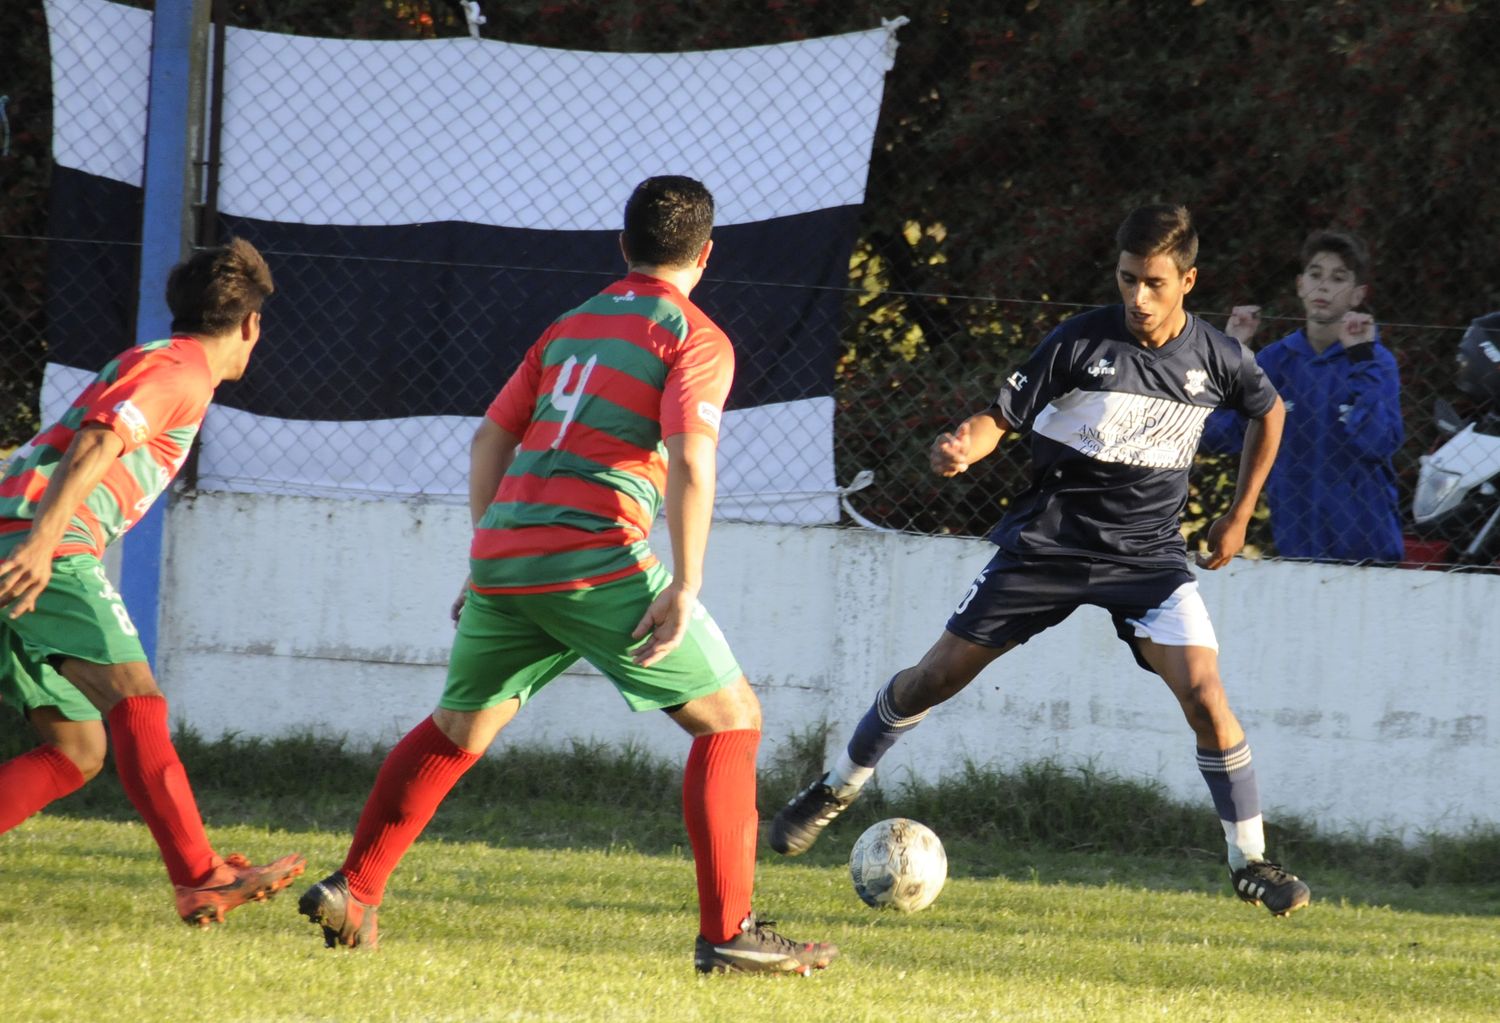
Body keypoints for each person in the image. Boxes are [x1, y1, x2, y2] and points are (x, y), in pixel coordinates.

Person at [297, 176, 838, 974]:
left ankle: (356, 887)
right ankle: (731, 933)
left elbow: (489, 438)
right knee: (731, 719)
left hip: (505, 554)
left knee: (458, 729)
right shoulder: (695, 336)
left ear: (623, 247)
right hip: (596, 558)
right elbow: (691, 453)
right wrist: (684, 584)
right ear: (706, 254)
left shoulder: (569, 325)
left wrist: (488, 550)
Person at [770, 204, 1314, 917]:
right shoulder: (1080, 343)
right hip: (1048, 546)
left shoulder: (1218, 356)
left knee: (1207, 696)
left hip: (1147, 559)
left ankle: (1250, 862)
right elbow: (999, 416)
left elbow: (1268, 411)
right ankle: (836, 785)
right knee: (934, 677)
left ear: (1188, 280)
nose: (1137, 298)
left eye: (1153, 282)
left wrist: (1239, 514)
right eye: (1126, 280)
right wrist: (964, 445)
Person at [0, 238, 306, 925]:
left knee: (78, 748)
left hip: (15, 530)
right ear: (251, 325)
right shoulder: (181, 375)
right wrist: (46, 541)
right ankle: (199, 875)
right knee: (137, 699)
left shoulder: (152, 357)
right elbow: (96, 441)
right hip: (35, 541)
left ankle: (201, 869)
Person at [1200, 229, 1404, 562]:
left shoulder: (1375, 361)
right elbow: (1218, 437)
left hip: (1371, 553)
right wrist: (1233, 357)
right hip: (1296, 548)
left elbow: (1377, 442)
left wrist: (1362, 362)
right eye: (1315, 274)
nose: (1323, 285)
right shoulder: (1274, 362)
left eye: (1338, 278)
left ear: (1357, 295)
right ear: (1300, 285)